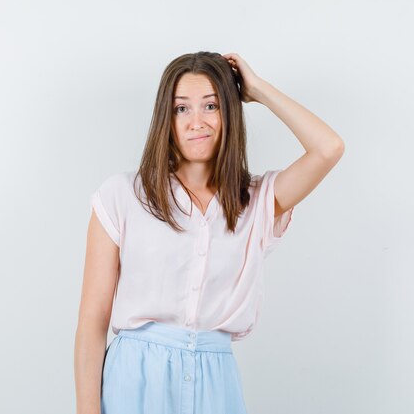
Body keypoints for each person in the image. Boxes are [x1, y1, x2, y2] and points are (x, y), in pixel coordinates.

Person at [74, 51, 344, 414]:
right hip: (135, 380)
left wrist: (258, 90)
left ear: (229, 113)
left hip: (216, 381)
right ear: (165, 119)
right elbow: (92, 323)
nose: (196, 121)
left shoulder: (257, 201)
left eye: (212, 106)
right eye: (181, 108)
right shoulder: (122, 195)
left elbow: (328, 149)